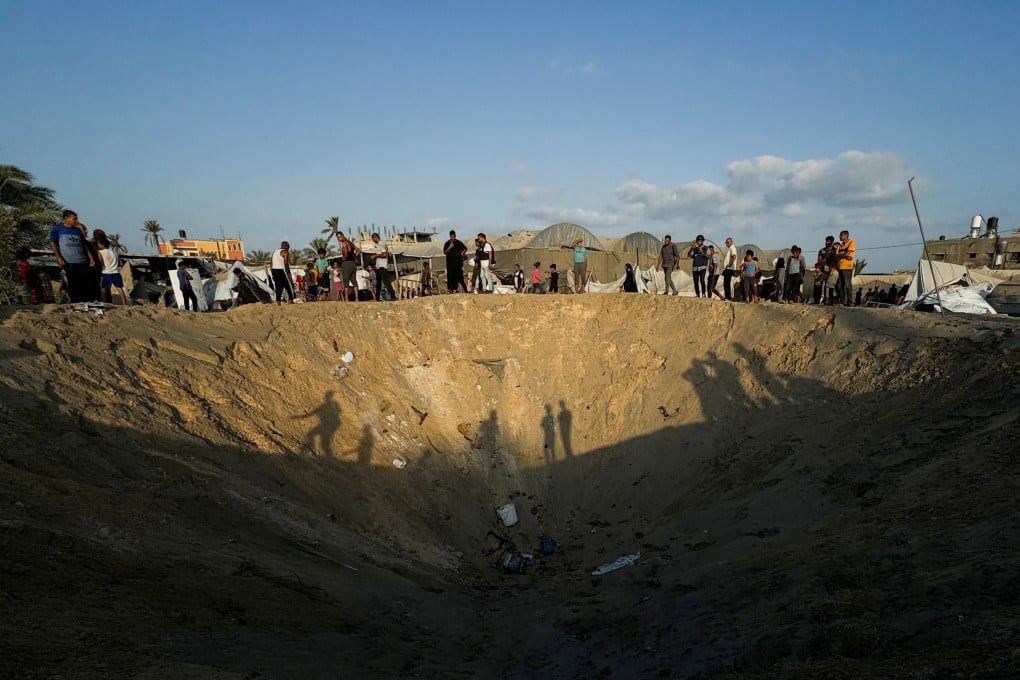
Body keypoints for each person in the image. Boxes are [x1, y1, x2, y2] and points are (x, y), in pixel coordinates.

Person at [49, 209, 95, 303]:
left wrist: (90, 257)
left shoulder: (78, 231)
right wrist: (58, 257)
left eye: (76, 219)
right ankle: (74, 301)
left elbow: (84, 244)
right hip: (69, 261)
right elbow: (53, 243)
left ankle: (87, 301)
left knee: (86, 282)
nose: (76, 221)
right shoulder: (58, 228)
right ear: (66, 219)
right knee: (72, 283)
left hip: (82, 260)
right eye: (74, 219)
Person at [95, 232, 130, 305]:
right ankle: (124, 303)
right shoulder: (114, 252)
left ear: (102, 244)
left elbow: (101, 262)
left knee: (103, 289)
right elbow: (119, 263)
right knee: (119, 288)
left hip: (106, 272)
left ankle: (104, 303)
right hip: (116, 272)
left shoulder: (100, 252)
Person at [369, 232, 395, 300]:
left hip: (382, 266)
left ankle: (393, 295)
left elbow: (384, 254)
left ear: (375, 237)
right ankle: (377, 297)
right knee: (379, 282)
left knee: (385, 282)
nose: (373, 240)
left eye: (373, 238)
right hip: (379, 266)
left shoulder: (381, 244)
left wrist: (375, 255)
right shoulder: (380, 244)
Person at [835, 229, 856, 306]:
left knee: (847, 285)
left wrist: (840, 255)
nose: (839, 237)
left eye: (841, 235)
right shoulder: (840, 246)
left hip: (847, 267)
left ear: (846, 236)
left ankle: (850, 302)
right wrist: (843, 255)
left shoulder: (851, 243)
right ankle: (842, 301)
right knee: (840, 286)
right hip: (840, 267)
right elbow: (836, 256)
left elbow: (849, 257)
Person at [337, 233, 360, 301]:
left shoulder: (344, 244)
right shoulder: (350, 243)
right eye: (338, 238)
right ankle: (357, 298)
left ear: (343, 236)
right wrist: (353, 256)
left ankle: (346, 298)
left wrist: (345, 257)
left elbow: (346, 252)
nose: (339, 239)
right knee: (354, 281)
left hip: (346, 263)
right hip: (353, 263)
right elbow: (359, 250)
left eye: (339, 237)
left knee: (346, 281)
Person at [818, 235, 838, 305]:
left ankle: (830, 301)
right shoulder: (822, 250)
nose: (826, 242)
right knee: (822, 285)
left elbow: (834, 261)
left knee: (830, 286)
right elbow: (819, 260)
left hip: (830, 269)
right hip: (823, 269)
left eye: (828, 241)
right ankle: (823, 300)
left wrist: (832, 270)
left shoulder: (834, 250)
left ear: (832, 242)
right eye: (826, 241)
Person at [722, 236, 739, 300]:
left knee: (726, 283)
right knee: (726, 283)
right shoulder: (730, 249)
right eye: (726, 242)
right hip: (728, 269)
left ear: (731, 242)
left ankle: (728, 297)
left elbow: (734, 256)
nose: (727, 243)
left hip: (729, 269)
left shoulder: (732, 248)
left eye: (728, 242)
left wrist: (729, 264)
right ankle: (727, 297)